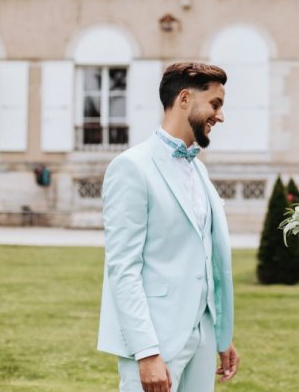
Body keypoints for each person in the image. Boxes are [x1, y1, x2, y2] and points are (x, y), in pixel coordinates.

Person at [97, 62, 239, 392]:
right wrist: (146, 352)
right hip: (156, 339)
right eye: (215, 105)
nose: (220, 116)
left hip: (202, 336)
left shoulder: (199, 171)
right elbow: (123, 268)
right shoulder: (131, 168)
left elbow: (205, 257)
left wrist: (220, 335)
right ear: (185, 99)